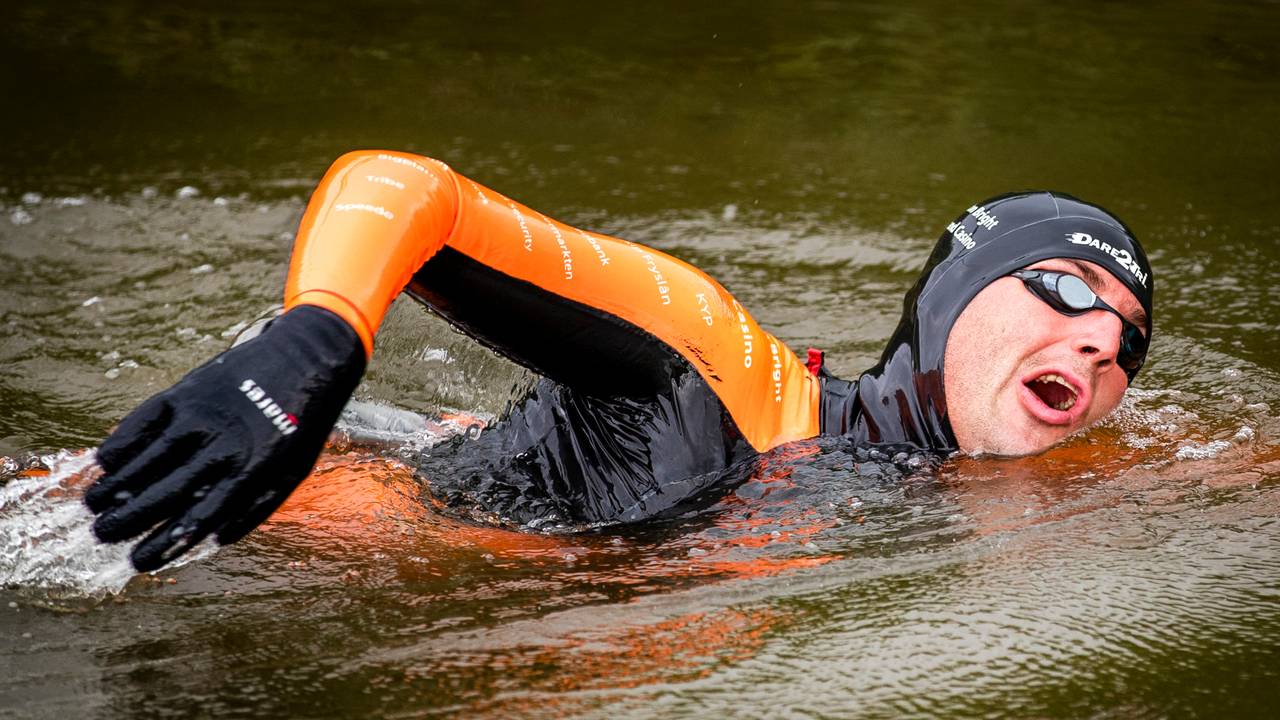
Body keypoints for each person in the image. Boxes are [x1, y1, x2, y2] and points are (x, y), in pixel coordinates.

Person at [83, 150, 1154, 571]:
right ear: (951, 300)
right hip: (239, 502)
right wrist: (312, 343)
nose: (1101, 340)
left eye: (1127, 341)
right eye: (1061, 287)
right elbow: (405, 189)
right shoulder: (723, 368)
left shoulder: (1006, 492)